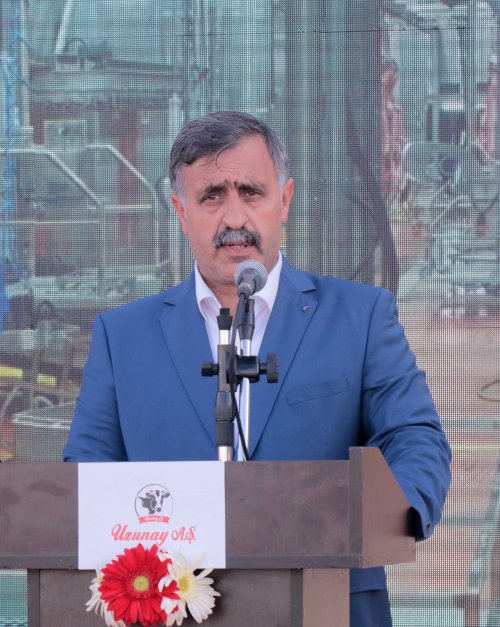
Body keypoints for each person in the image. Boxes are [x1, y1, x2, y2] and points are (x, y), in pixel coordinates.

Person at [64, 111, 451, 626]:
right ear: (181, 211)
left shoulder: (360, 317)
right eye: (212, 196)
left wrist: (384, 517)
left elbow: (414, 437)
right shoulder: (122, 337)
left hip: (330, 605)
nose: (235, 218)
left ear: (284, 200)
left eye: (251, 192)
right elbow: (86, 477)